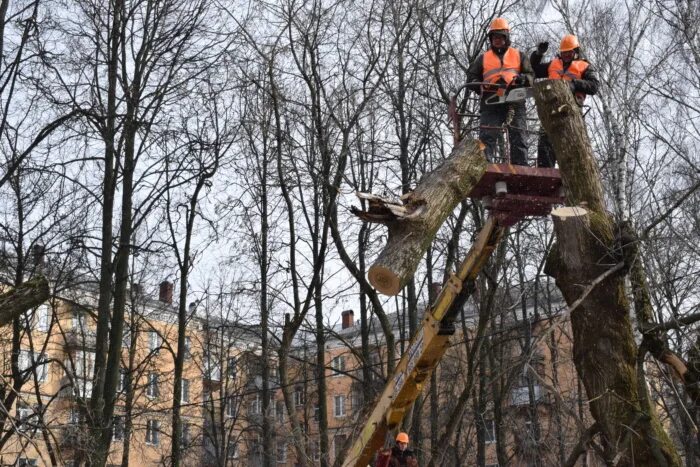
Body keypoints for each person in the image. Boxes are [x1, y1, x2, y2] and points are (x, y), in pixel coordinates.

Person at [467, 17, 534, 166]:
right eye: (494, 37)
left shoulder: (519, 55)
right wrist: (480, 86)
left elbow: (531, 75)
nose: (497, 40)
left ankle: (520, 167)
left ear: (506, 37)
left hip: (514, 97)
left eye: (500, 37)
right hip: (491, 99)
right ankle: (484, 165)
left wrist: (523, 79)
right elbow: (471, 78)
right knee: (487, 135)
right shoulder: (483, 58)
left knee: (519, 134)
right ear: (491, 39)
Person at [530, 34, 599, 167]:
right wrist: (538, 54)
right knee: (545, 146)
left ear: (575, 52)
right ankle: (545, 174)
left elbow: (594, 86)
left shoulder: (584, 66)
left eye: (569, 52)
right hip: (550, 109)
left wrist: (575, 84)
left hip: (572, 110)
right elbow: (533, 70)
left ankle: (572, 173)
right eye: (564, 53)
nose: (566, 55)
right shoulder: (553, 64)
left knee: (572, 148)